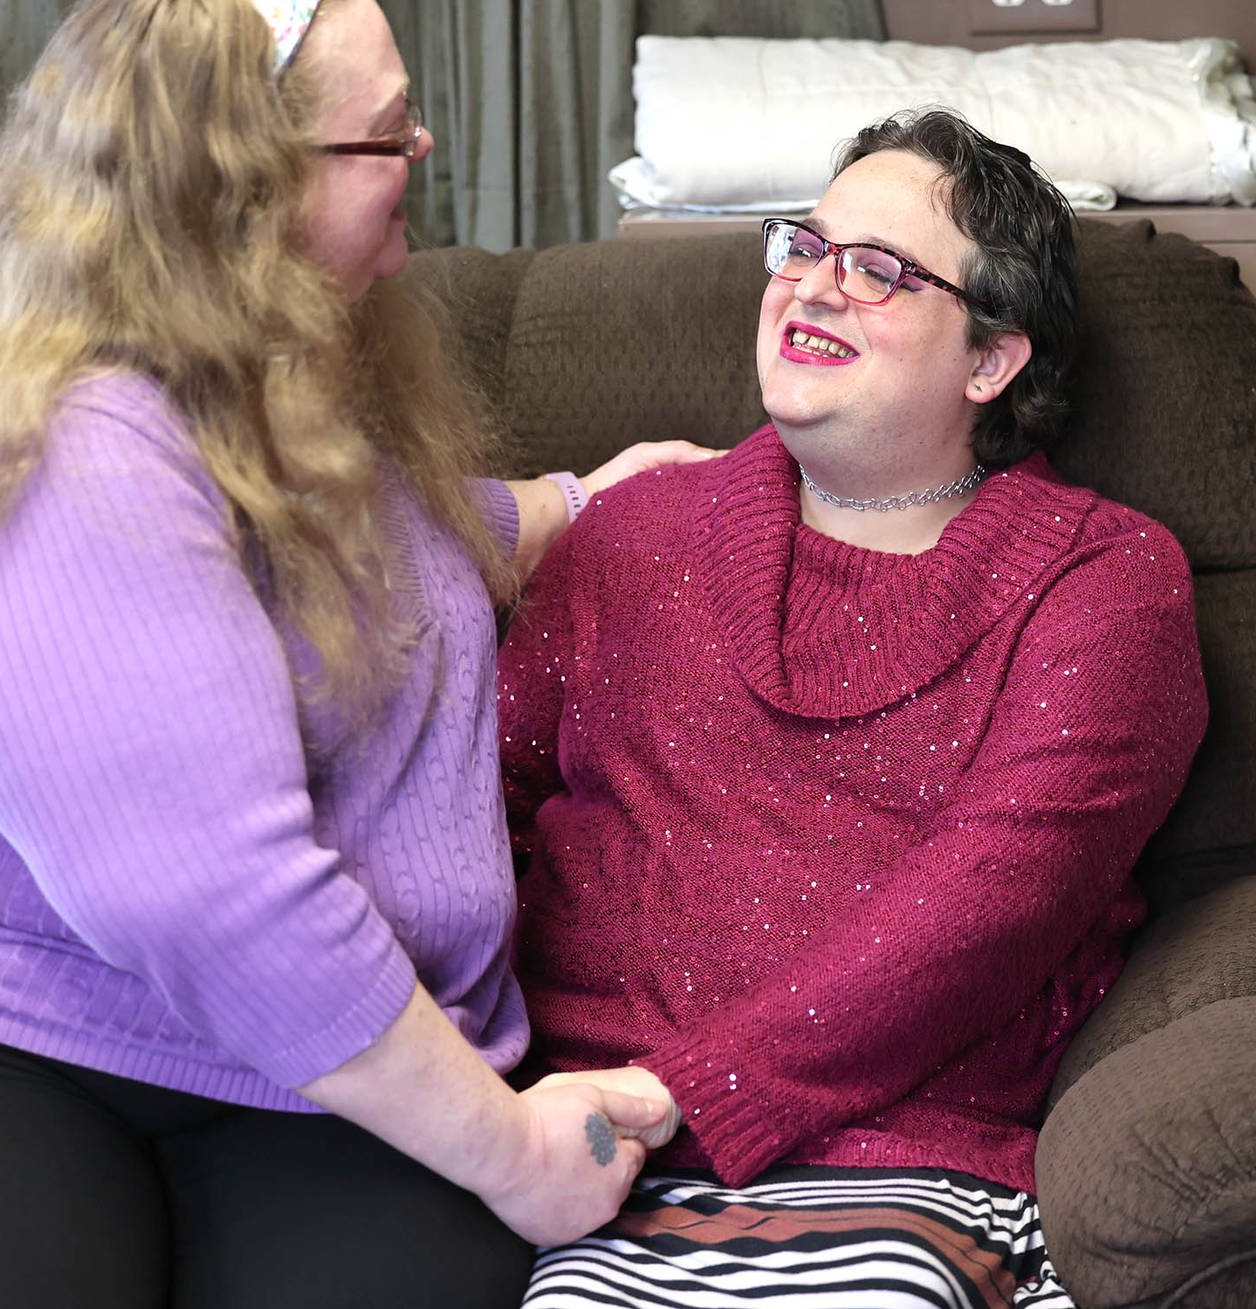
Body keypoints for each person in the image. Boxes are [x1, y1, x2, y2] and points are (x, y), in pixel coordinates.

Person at [0, 2, 704, 1306]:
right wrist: (510, 1147)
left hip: (286, 1051)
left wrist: (580, 498)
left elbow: (371, 558)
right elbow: (206, 895)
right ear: (246, 181)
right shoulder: (68, 450)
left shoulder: (274, 370)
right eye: (389, 129)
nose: (426, 140)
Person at [498, 109, 1208, 1308]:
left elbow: (995, 900)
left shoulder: (1104, 582)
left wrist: (677, 1092)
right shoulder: (630, 531)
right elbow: (472, 797)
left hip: (899, 1168)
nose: (814, 289)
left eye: (877, 271)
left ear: (990, 360)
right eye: (804, 248)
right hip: (556, 1152)